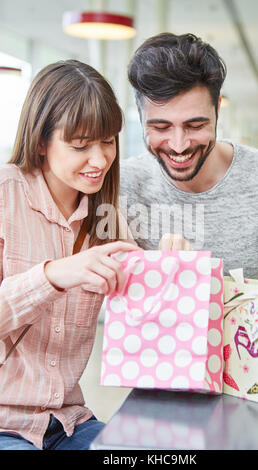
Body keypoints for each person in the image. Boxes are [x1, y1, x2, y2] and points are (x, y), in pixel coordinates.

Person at [0, 59, 138, 450]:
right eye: (80, 146)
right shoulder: (4, 196)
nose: (99, 160)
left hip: (69, 423)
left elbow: (145, 318)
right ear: (41, 141)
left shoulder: (108, 216)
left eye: (108, 142)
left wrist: (167, 266)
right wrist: (54, 275)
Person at [120, 32, 258, 282]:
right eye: (161, 128)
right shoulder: (120, 187)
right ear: (140, 116)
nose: (179, 145)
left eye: (195, 126)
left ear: (217, 111)